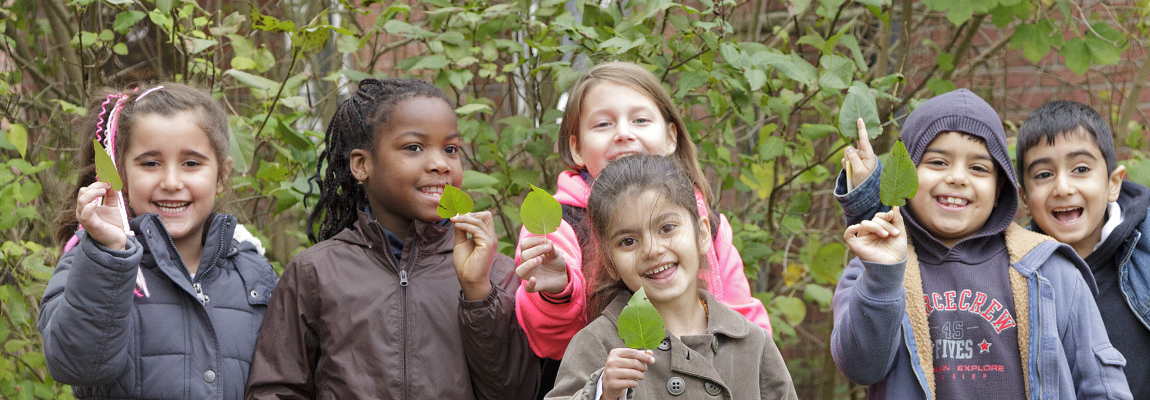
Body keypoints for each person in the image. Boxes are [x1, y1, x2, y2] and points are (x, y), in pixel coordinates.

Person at [839, 9, 1150, 399]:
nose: (1063, 187)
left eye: (1081, 169)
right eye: (1043, 175)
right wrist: (869, 200)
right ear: (1020, 195)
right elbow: (912, 248)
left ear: (1114, 183)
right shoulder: (1030, 268)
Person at [246, 78, 543, 399]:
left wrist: (478, 294)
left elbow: (518, 392)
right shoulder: (314, 272)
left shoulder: (495, 274)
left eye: (451, 149)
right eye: (414, 147)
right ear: (362, 164)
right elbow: (275, 389)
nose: (440, 164)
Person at [831, 88, 1130, 399]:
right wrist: (883, 276)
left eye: (978, 168)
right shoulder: (873, 273)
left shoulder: (1049, 270)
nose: (958, 177)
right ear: (905, 176)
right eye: (937, 162)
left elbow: (1102, 386)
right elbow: (861, 367)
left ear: (1000, 188)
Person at [515, 62, 770, 363]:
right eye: (603, 124)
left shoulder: (706, 223)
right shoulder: (556, 224)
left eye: (639, 120)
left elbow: (744, 320)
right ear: (576, 148)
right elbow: (553, 345)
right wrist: (557, 293)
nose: (623, 133)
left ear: (671, 137)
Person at [40, 82, 277, 399]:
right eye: (150, 163)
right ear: (121, 173)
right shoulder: (94, 261)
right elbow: (76, 366)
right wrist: (109, 255)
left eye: (191, 163)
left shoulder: (255, 275)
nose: (171, 182)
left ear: (222, 175)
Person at [546, 154, 796, 400]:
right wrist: (603, 393)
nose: (652, 250)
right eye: (628, 241)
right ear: (609, 262)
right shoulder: (597, 344)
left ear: (703, 233)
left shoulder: (753, 343)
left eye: (667, 228)